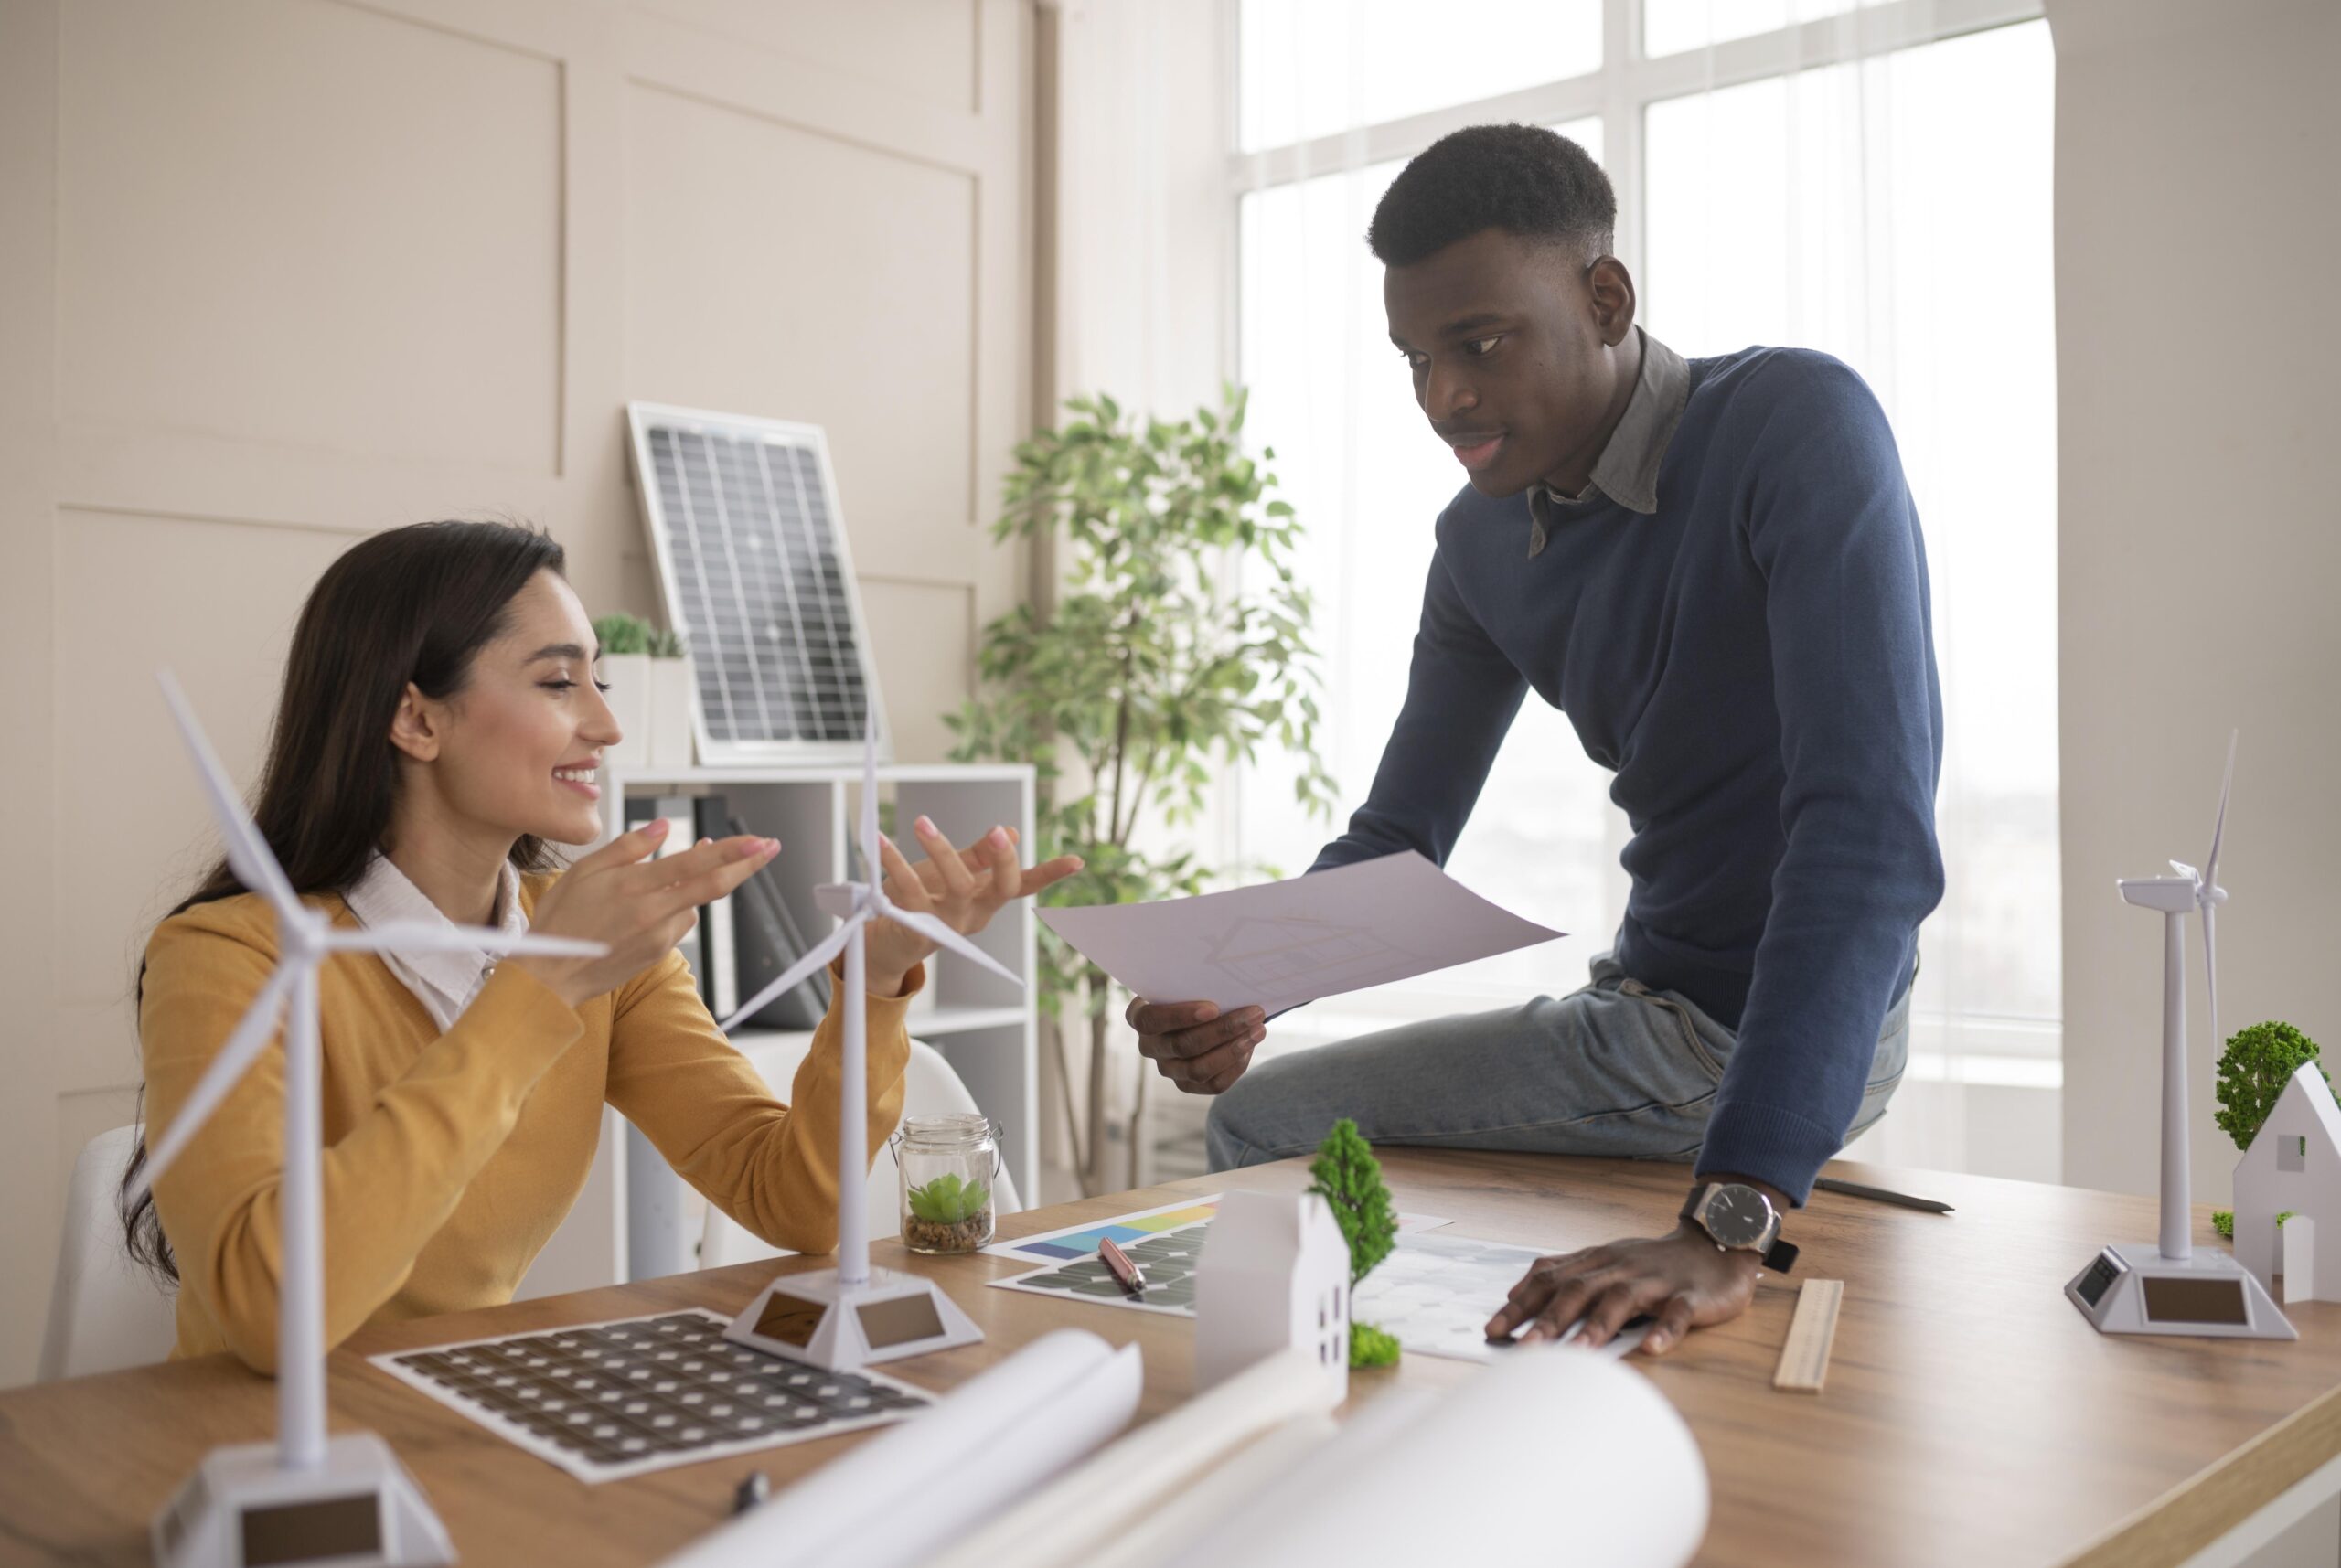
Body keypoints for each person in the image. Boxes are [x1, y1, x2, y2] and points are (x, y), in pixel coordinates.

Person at [1129, 123, 1944, 1355]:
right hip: (1642, 1000)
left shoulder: (1796, 423)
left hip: (1754, 1024)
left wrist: (1731, 1225)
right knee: (1273, 1100)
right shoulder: (1476, 547)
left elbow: (1869, 837)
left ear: (1605, 298)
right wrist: (1251, 979)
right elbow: (1400, 835)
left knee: (1268, 1127)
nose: (1443, 395)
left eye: (1480, 342)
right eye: (1414, 358)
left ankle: (1319, 1440)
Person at [123, 519, 1078, 1371]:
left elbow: (791, 1197)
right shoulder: (229, 955)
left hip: (474, 1405)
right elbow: (269, 1313)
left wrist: (869, 983)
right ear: (416, 717)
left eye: (599, 679)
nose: (607, 723)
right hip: (264, 1440)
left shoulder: (596, 947)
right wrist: (541, 988)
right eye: (557, 680)